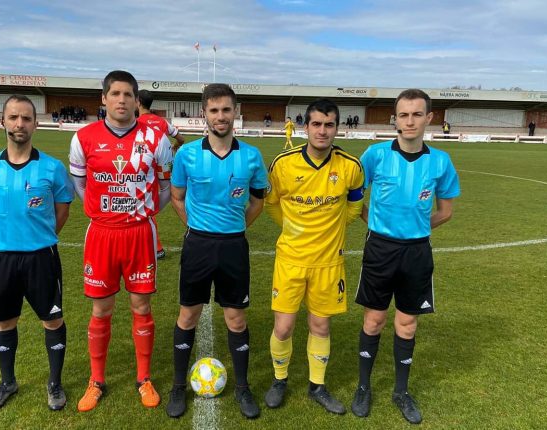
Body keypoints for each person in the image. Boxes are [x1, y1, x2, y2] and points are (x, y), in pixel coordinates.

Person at [351, 89, 460, 424]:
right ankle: (364, 387)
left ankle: (401, 391)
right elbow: (353, 197)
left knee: (407, 324)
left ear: (429, 118)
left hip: (417, 252)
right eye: (403, 115)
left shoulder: (440, 161)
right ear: (394, 119)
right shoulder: (375, 155)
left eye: (416, 114)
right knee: (374, 320)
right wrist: (375, 223)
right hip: (380, 249)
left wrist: (416, 228)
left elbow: (446, 211)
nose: (409, 121)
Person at [69, 70, 173, 412]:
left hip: (140, 234)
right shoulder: (83, 138)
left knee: (141, 306)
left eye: (128, 94)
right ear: (104, 98)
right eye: (115, 93)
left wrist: (141, 212)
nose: (121, 100)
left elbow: (165, 188)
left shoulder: (155, 139)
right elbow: (81, 186)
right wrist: (105, 212)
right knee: (101, 309)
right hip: (101, 234)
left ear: (136, 100)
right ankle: (96, 380)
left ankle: (143, 378)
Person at [165, 83, 268, 420]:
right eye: (214, 110)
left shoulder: (251, 156)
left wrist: (235, 227)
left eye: (226, 109)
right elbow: (177, 197)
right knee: (188, 315)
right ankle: (178, 386)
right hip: (198, 245)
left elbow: (257, 201)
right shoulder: (187, 155)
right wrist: (196, 227)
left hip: (233, 247)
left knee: (236, 318)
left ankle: (243, 387)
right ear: (204, 114)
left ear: (235, 112)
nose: (220, 116)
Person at [0, 94, 74, 412]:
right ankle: (8, 382)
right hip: (1, 258)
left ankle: (54, 383)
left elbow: (62, 210)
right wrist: (6, 233)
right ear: (2, 122)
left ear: (36, 124)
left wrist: (39, 237)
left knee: (52, 320)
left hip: (41, 257)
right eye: (14, 117)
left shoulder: (52, 168)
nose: (20, 124)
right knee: (5, 322)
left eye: (27, 118)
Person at [263, 99, 364, 414]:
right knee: (284, 327)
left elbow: (355, 205)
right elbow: (271, 202)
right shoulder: (283, 164)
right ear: (305, 127)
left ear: (337, 128)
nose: (323, 131)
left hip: (328, 262)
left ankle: (317, 386)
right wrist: (291, 228)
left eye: (329, 124)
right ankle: (279, 380)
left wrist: (333, 229)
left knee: (320, 327)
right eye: (317, 124)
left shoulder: (350, 166)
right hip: (290, 260)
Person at [137, 89, 187, 260]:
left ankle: (157, 248)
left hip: (146, 169)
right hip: (165, 166)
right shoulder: (162, 122)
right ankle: (194, 228)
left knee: (146, 205)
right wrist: (174, 147)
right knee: (176, 197)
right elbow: (181, 139)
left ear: (137, 102)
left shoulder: (135, 123)